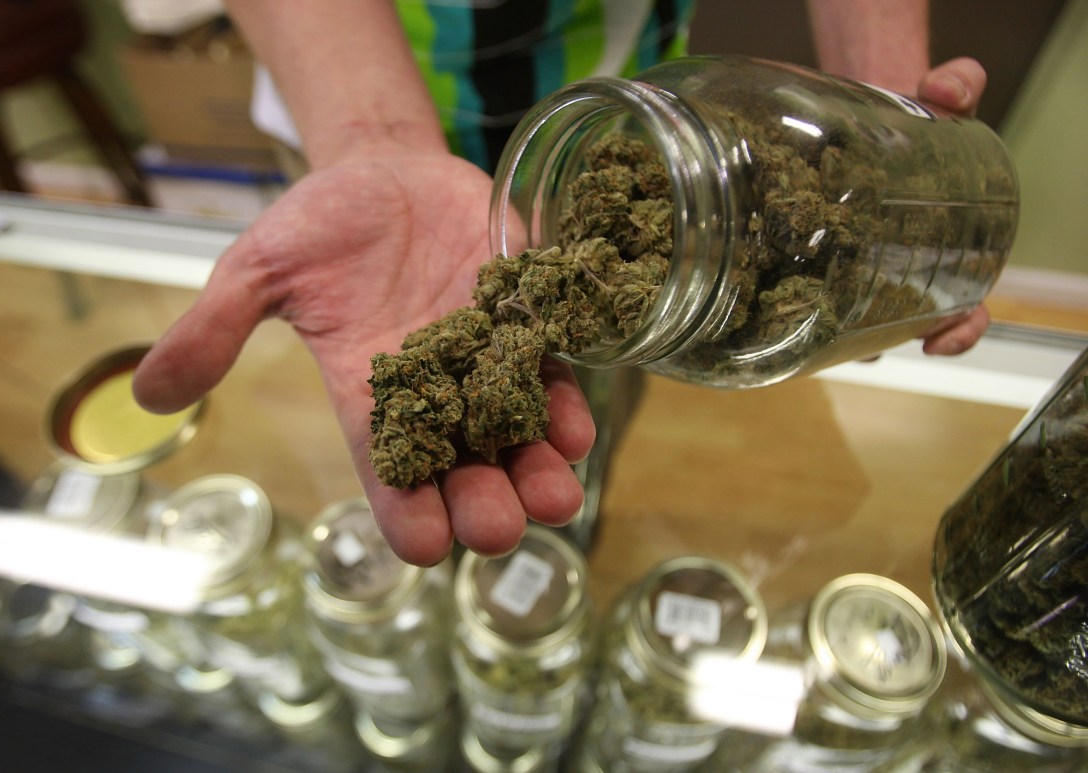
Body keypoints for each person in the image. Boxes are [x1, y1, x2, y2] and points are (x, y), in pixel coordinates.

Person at [133, 0, 993, 567]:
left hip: (639, 107)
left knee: (600, 400)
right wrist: (370, 137)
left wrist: (887, 137)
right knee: (517, 454)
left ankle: (571, 531)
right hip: (348, 89)